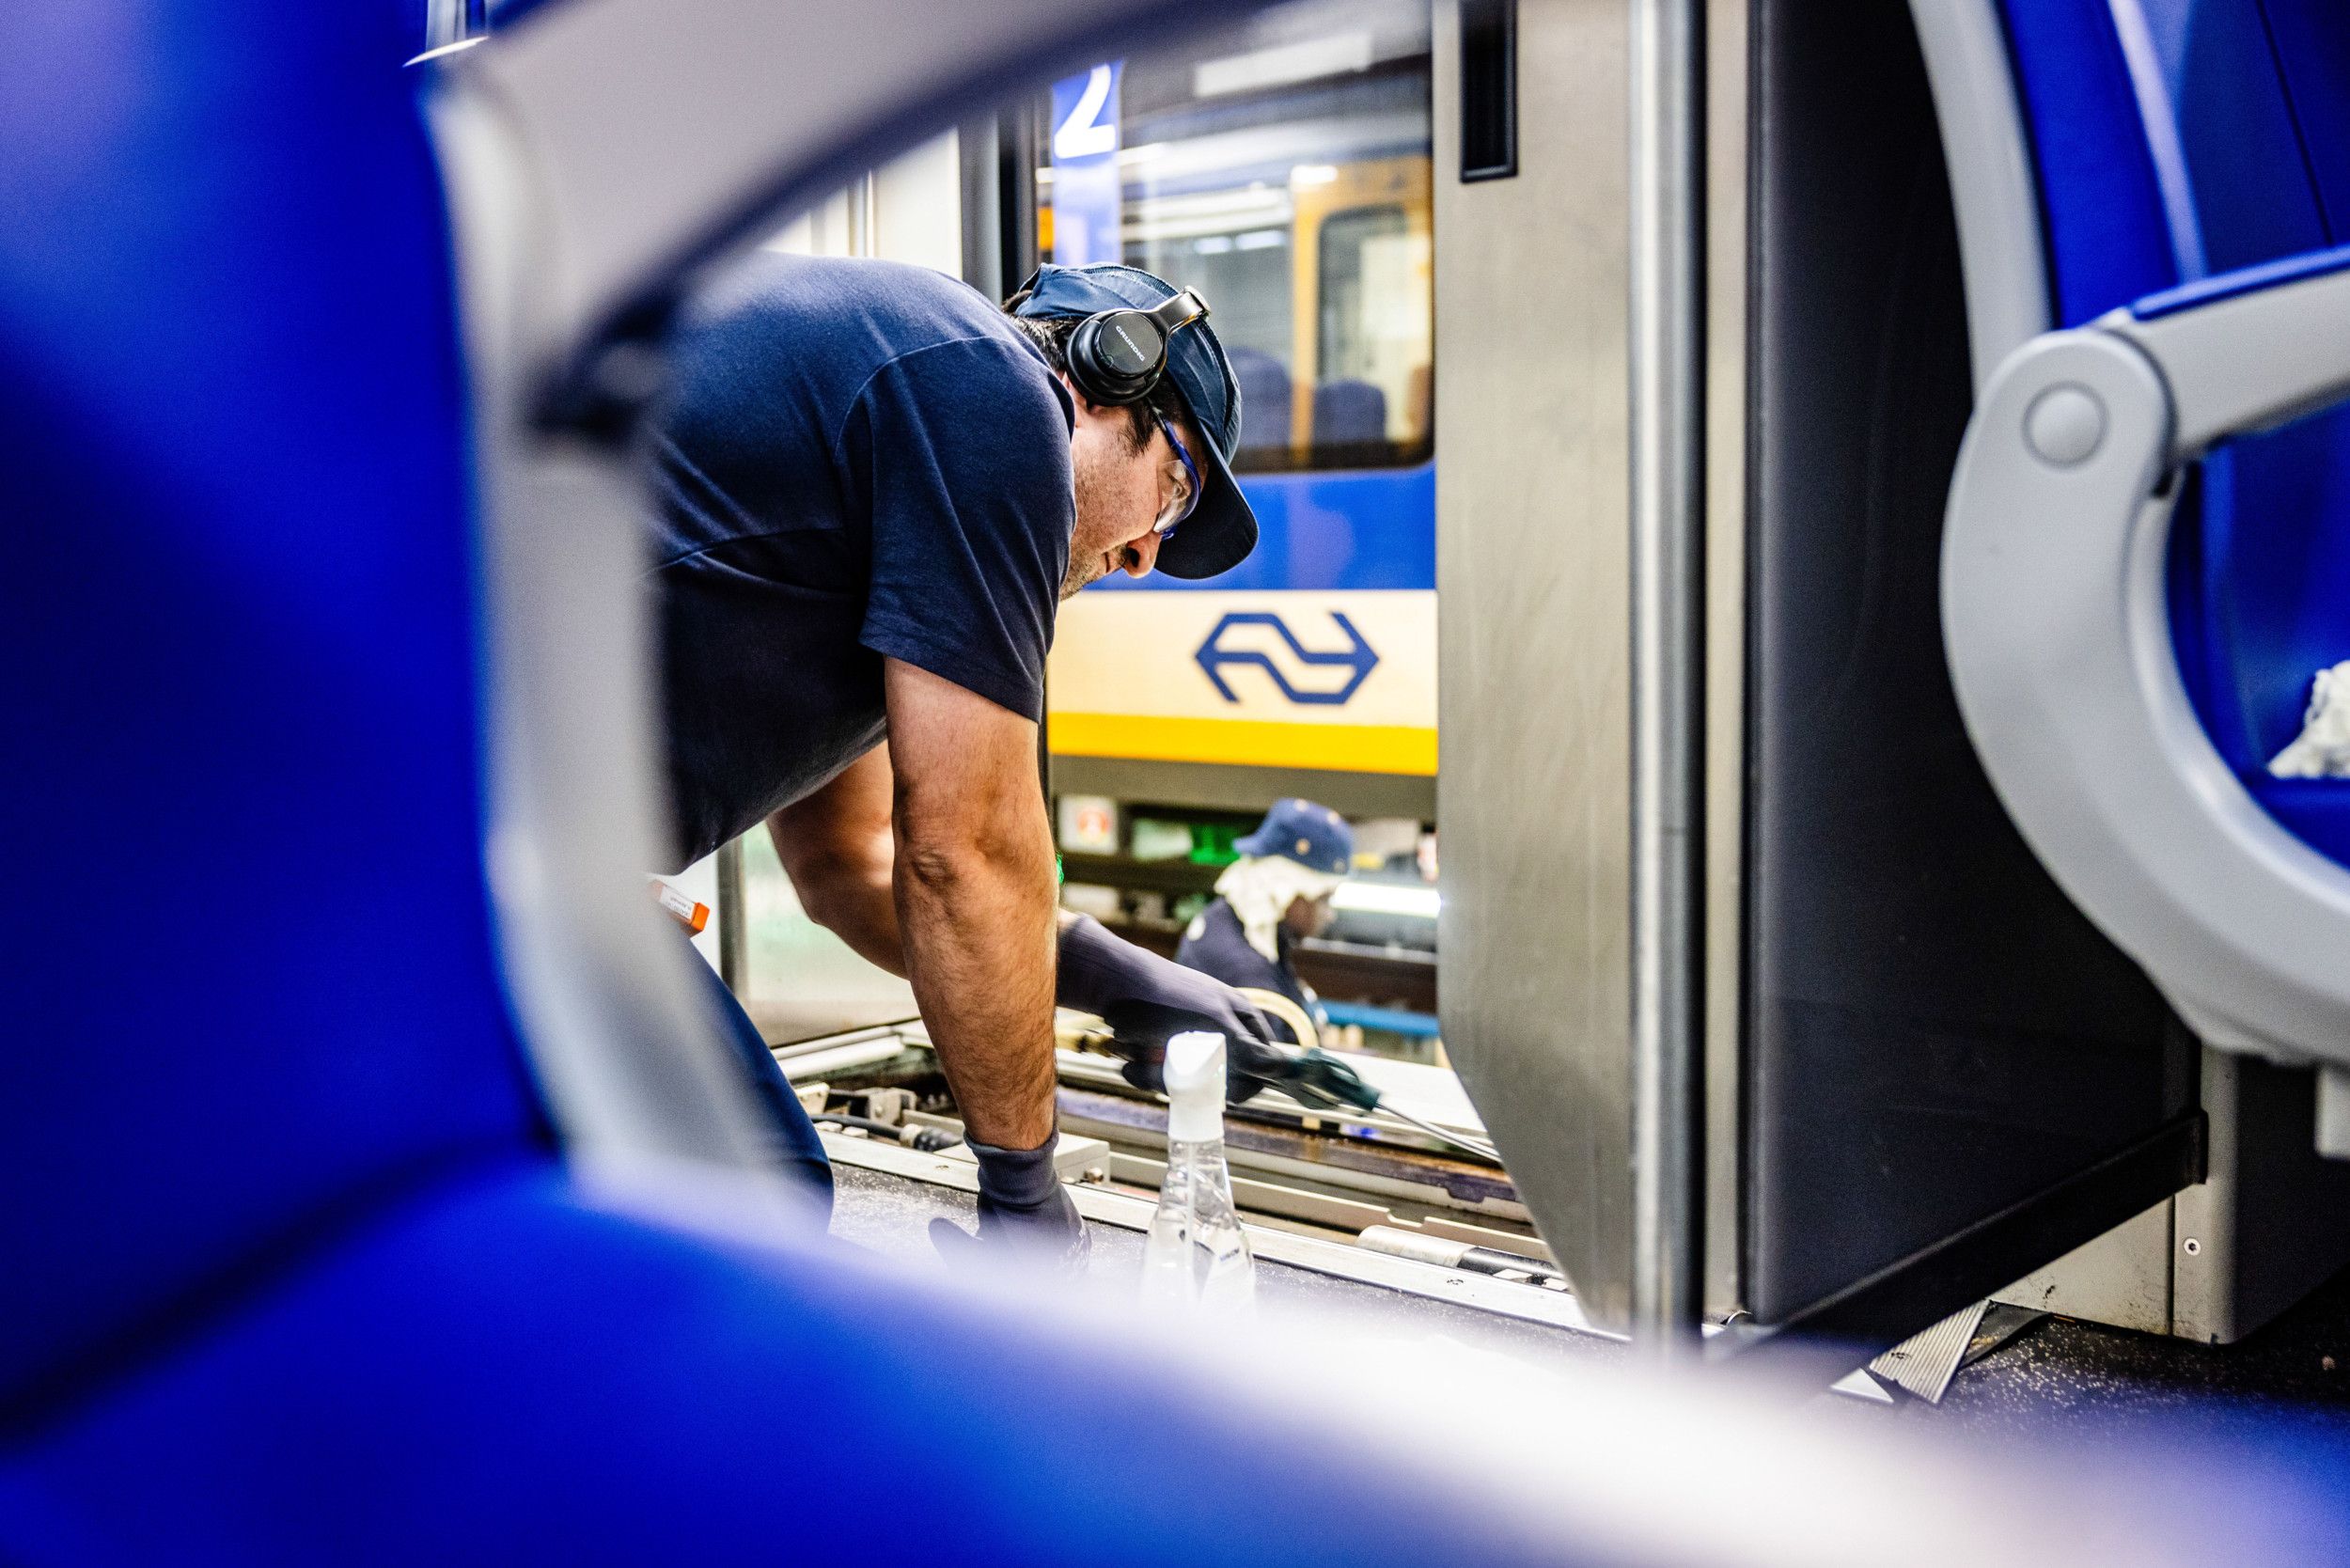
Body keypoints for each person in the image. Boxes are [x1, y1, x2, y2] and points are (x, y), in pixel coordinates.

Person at [646, 253, 1303, 1266]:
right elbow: (967, 854)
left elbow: (853, 862)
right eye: (1170, 489)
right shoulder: (991, 392)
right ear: (1103, 377)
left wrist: (1110, 976)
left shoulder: (909, 438)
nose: (1142, 556)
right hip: (428, 818)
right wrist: (1024, 1187)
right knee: (745, 1199)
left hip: (445, 817)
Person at [1175, 799, 1354, 1026]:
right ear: (1287, 890)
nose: (1329, 915)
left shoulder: (1230, 920)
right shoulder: (1246, 971)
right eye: (1324, 899)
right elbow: (1273, 1056)